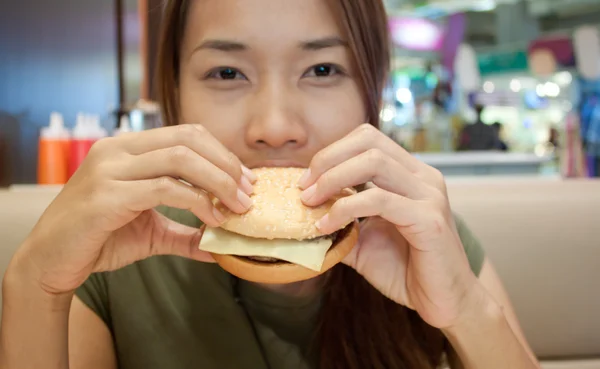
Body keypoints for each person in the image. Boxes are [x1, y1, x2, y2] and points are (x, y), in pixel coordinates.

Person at [0, 1, 540, 368]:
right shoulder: (117, 251)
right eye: (227, 73)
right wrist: (34, 287)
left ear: (371, 90)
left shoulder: (421, 237)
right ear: (173, 94)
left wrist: (464, 311)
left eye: (323, 70)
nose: (275, 129)